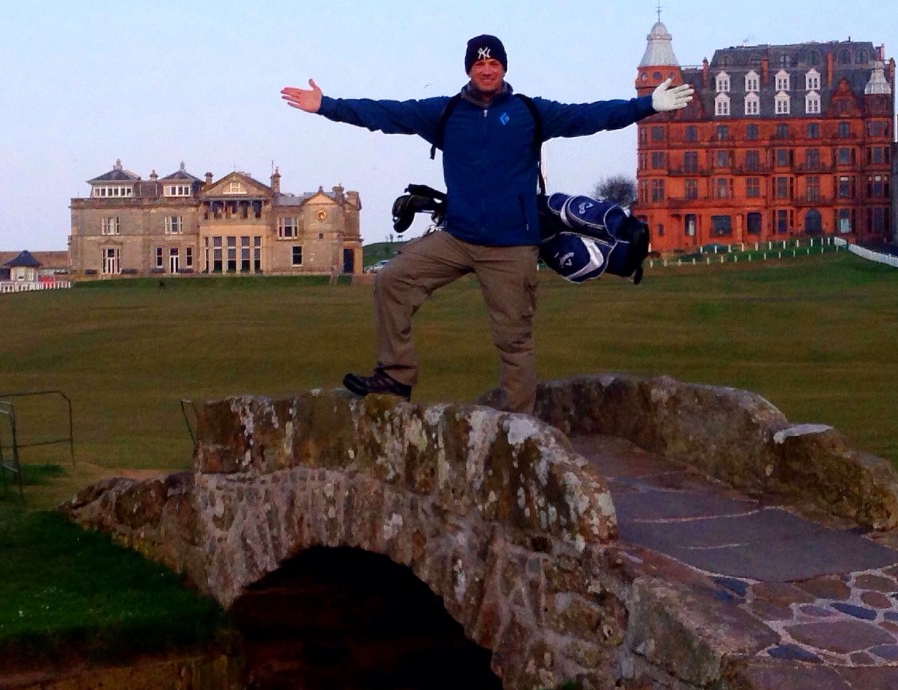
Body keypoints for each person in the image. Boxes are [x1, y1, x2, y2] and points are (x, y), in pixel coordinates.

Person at [281, 34, 693, 413]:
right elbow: (386, 114)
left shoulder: (529, 112)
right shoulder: (444, 113)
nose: (487, 69)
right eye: (479, 64)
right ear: (468, 69)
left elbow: (589, 117)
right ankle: (396, 376)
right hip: (457, 238)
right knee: (393, 280)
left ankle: (518, 425)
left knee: (513, 338)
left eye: (494, 62)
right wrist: (327, 106)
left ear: (504, 68)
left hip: (512, 246)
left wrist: (647, 106)